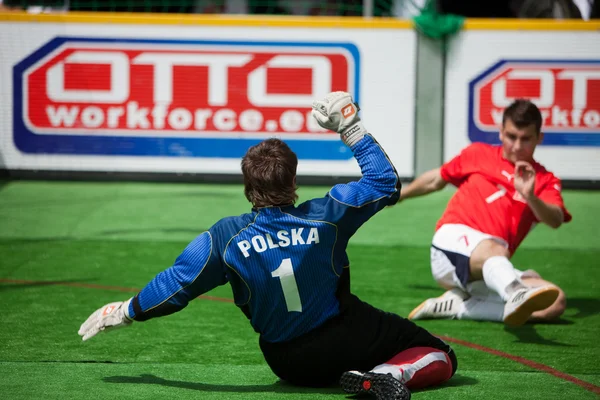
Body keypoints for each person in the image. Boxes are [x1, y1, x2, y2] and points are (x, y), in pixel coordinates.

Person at [78, 92, 458, 400]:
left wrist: (126, 310)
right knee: (440, 353)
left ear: (247, 189)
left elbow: (176, 285)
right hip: (343, 340)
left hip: (285, 363)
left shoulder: (225, 238)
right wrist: (351, 127)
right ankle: (384, 375)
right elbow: (384, 182)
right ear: (293, 182)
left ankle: (365, 377)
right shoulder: (328, 215)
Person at [401, 99, 570, 326]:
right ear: (501, 133)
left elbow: (556, 219)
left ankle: (461, 306)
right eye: (511, 136)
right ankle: (514, 291)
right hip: (450, 247)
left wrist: (530, 196)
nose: (518, 146)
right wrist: (398, 196)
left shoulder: (544, 180)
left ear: (539, 138)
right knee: (496, 250)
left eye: (526, 138)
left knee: (554, 301)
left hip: (488, 267)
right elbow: (435, 180)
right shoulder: (478, 154)